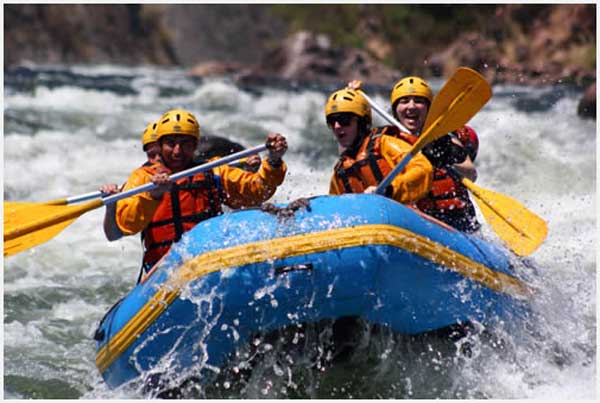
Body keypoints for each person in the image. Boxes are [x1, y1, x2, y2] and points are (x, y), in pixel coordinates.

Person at [114, 108, 288, 279]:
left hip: (208, 264)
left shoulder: (213, 170)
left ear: (195, 145)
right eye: (171, 144)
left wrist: (273, 161)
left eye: (185, 144)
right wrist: (154, 196)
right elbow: (126, 224)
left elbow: (256, 191)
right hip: (162, 272)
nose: (177, 151)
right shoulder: (143, 178)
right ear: (160, 146)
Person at [350, 76, 481, 233]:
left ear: (428, 108)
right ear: (395, 109)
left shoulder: (443, 138)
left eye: (418, 101)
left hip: (456, 224)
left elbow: (471, 174)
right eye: (404, 101)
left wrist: (440, 157)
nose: (411, 106)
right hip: (413, 221)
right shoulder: (385, 141)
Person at [325, 88, 433, 204]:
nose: (337, 126)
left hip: (403, 212)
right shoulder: (341, 170)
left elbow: (423, 168)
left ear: (362, 122)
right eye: (332, 121)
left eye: (344, 120)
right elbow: (333, 205)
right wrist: (307, 206)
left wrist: (390, 189)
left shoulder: (384, 144)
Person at [100, 120, 162, 241]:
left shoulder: (199, 170)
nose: (157, 159)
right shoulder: (139, 181)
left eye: (160, 153)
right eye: (152, 155)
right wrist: (111, 204)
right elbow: (113, 235)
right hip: (163, 257)